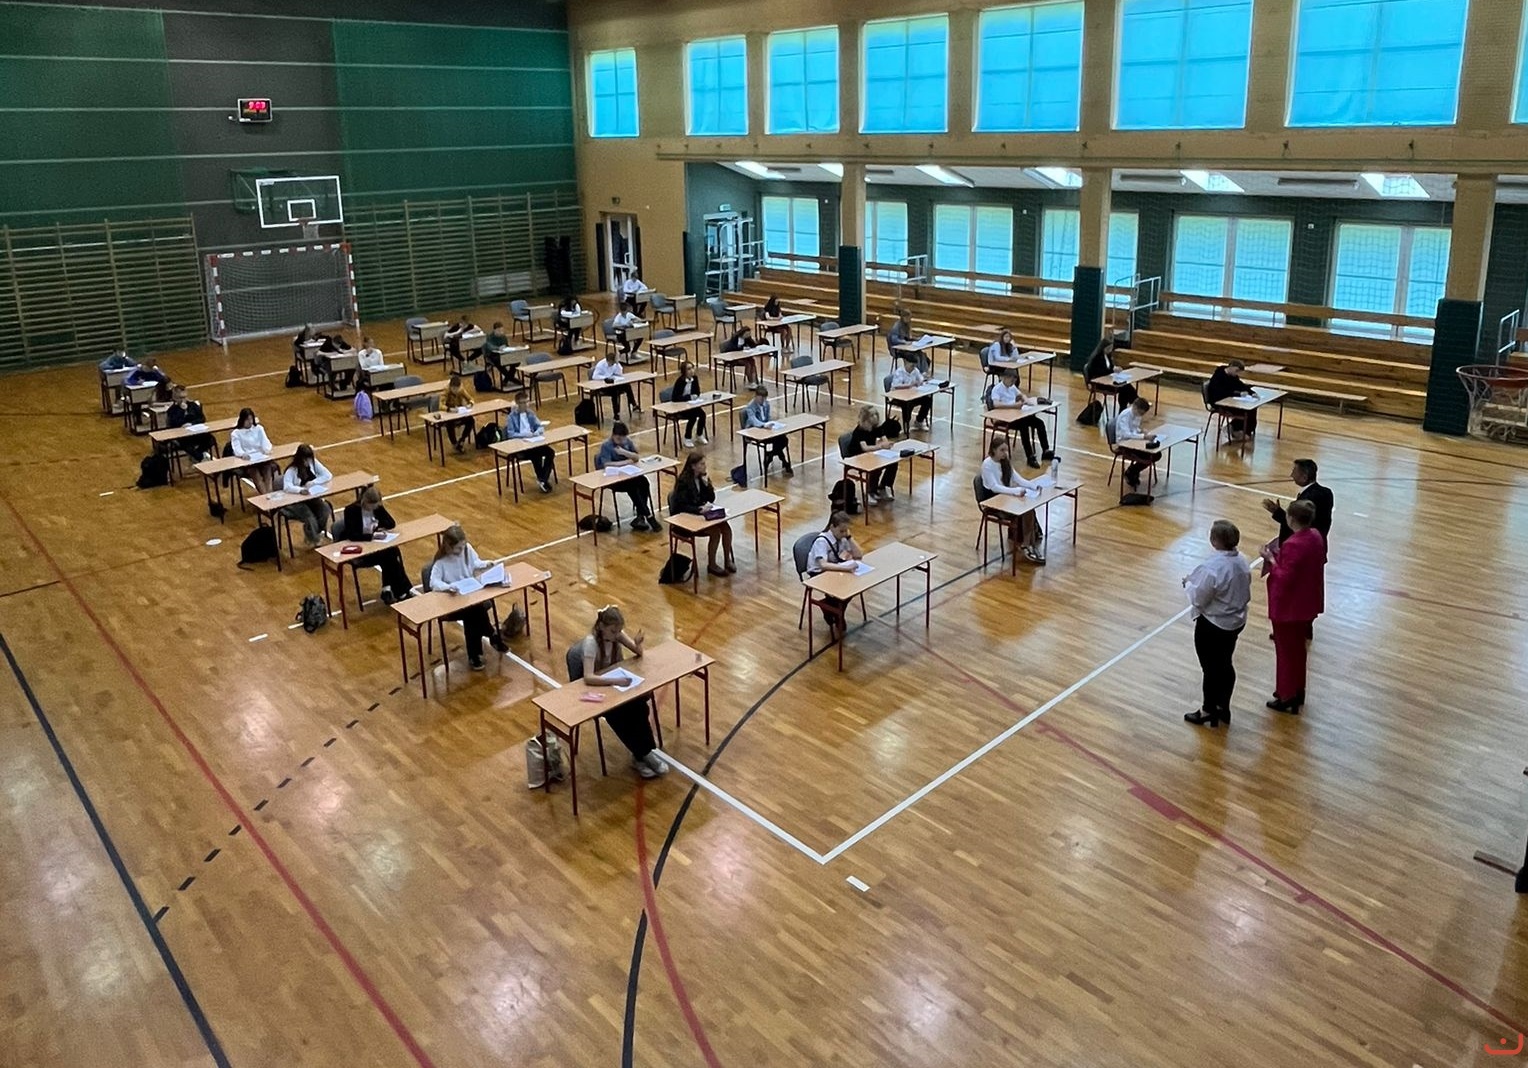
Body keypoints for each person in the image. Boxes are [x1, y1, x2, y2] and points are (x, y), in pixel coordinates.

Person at [576, 605, 667, 778]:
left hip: (619, 686)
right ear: (601, 627)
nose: (616, 634)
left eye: (619, 631)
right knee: (619, 717)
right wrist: (615, 681)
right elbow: (588, 677)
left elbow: (638, 653)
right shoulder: (591, 644)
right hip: (602, 690)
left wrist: (638, 644)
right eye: (613, 631)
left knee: (640, 707)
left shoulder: (617, 635)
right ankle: (643, 754)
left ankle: (641, 754)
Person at [1182, 520, 1253, 727]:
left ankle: (1208, 709)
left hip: (1214, 624)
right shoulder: (1242, 560)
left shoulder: (1212, 567)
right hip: (1236, 620)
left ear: (1214, 541)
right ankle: (1223, 706)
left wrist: (1188, 584)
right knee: (1225, 664)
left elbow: (1199, 599)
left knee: (1210, 668)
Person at [1261, 499, 1325, 714]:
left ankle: (1286, 694)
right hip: (1307, 602)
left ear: (1290, 518)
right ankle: (1297, 690)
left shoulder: (1293, 544)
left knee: (1285, 652)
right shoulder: (1315, 536)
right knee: (1298, 650)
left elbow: (1283, 576)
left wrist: (1271, 558)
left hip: (1289, 606)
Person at [427, 523, 509, 671]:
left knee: (473, 613)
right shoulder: (441, 562)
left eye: (463, 546)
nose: (462, 550)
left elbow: (475, 562)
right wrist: (447, 587)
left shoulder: (466, 549)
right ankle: (491, 634)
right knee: (474, 612)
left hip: (470, 597)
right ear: (448, 546)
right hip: (452, 604)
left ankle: (475, 655)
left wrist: (486, 564)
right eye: (458, 548)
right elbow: (433, 582)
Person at [339, 487, 413, 604]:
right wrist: (372, 536)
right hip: (360, 550)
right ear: (364, 501)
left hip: (376, 548)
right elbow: (352, 535)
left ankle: (389, 589)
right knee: (389, 556)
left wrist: (380, 527)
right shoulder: (351, 510)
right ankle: (401, 591)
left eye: (376, 505)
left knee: (392, 552)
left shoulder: (377, 508)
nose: (373, 508)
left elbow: (391, 523)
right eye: (371, 505)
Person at [978, 437, 1045, 564]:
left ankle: (1027, 543)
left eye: (1006, 450)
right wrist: (1015, 491)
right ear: (993, 450)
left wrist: (1033, 485)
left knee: (1029, 508)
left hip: (1005, 497)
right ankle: (1027, 544)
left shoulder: (1005, 462)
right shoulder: (987, 465)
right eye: (1002, 450)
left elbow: (1017, 479)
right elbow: (994, 487)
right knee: (1025, 509)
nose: (1005, 453)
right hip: (994, 500)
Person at [669, 451, 734, 577]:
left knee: (726, 528)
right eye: (702, 464)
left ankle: (727, 560)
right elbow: (682, 506)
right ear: (693, 466)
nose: (705, 466)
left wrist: (707, 485)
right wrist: (699, 509)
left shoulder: (701, 478)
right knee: (715, 532)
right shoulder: (683, 482)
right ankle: (712, 565)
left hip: (700, 515)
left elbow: (711, 498)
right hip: (686, 519)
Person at [807, 512, 865, 638]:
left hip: (834, 570)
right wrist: (845, 568)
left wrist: (849, 537)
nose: (844, 534)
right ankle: (835, 610)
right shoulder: (822, 541)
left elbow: (859, 555)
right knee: (843, 589)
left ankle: (833, 608)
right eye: (841, 531)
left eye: (846, 531)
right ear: (832, 527)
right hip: (818, 573)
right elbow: (823, 565)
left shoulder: (842, 538)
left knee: (853, 587)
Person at [596, 421, 659, 531]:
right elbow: (606, 464)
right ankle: (648, 515)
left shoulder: (627, 442)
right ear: (613, 435)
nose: (621, 441)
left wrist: (624, 452)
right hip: (613, 479)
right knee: (632, 487)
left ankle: (640, 516)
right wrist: (625, 462)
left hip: (628, 475)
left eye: (623, 438)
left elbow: (636, 457)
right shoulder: (606, 446)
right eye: (618, 439)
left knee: (644, 482)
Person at [985, 366, 1052, 467]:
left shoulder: (1012, 387)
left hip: (1017, 414)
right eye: (1011, 380)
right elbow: (996, 404)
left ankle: (1045, 450)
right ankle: (1030, 456)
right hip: (1006, 418)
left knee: (1039, 423)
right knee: (1023, 426)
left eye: (1014, 380)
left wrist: (1026, 400)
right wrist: (1013, 406)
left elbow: (1021, 394)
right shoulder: (997, 389)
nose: (1013, 382)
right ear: (1005, 378)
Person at [1264, 458, 1333, 546]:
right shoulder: (1327, 492)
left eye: (1294, 472)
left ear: (1304, 477)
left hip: (1304, 546)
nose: (1291, 475)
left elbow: (1297, 526)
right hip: (1319, 543)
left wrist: (1277, 512)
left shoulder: (1306, 499)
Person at [280, 443, 333, 547]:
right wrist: (300, 490)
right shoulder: (291, 470)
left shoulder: (313, 463)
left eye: (309, 459)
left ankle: (313, 533)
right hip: (295, 502)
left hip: (311, 498)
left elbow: (327, 475)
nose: (308, 462)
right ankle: (314, 539)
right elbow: (287, 487)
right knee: (309, 517)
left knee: (325, 509)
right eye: (305, 459)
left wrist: (313, 482)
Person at [503, 389, 556, 493]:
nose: (526, 405)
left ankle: (543, 479)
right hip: (520, 446)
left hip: (533, 442)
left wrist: (538, 431)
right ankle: (543, 480)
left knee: (550, 452)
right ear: (518, 404)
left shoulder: (530, 413)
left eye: (527, 402)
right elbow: (511, 434)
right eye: (523, 402)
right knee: (536, 455)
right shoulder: (511, 417)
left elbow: (539, 425)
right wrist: (524, 435)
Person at [846, 404, 899, 505]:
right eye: (872, 415)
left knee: (893, 463)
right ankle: (869, 492)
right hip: (858, 456)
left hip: (871, 454)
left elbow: (884, 439)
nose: (875, 417)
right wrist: (881, 446)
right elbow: (865, 448)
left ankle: (883, 486)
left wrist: (887, 444)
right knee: (876, 467)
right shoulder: (860, 431)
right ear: (866, 418)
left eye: (875, 414)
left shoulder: (876, 427)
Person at [741, 384, 792, 477]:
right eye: (761, 398)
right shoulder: (750, 407)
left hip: (766, 430)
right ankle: (783, 460)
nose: (763, 401)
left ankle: (770, 455)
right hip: (754, 430)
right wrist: (764, 425)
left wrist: (771, 424)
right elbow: (753, 420)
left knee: (783, 439)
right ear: (756, 396)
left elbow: (768, 417)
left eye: (764, 398)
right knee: (778, 440)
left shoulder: (766, 404)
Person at [228, 407, 278, 493]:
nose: (250, 422)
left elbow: (265, 442)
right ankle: (264, 495)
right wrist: (242, 454)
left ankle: (269, 492)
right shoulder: (236, 433)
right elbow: (237, 448)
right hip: (248, 461)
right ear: (242, 420)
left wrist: (267, 449)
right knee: (254, 473)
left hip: (261, 458)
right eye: (247, 419)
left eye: (251, 419)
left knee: (267, 468)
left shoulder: (259, 428)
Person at [1207, 359, 1258, 438]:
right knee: (1244, 411)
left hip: (1230, 400)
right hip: (1218, 401)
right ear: (1231, 367)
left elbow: (1240, 385)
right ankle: (1234, 428)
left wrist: (1251, 392)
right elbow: (1220, 392)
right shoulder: (1218, 376)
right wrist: (1237, 394)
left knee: (1252, 408)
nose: (1237, 373)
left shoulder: (1233, 376)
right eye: (1236, 371)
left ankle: (1245, 431)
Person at [1084, 335, 1136, 409]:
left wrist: (1115, 368)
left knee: (1125, 385)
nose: (1111, 350)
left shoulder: (1108, 356)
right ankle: (1135, 402)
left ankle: (1125, 406)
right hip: (1100, 383)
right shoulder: (1097, 358)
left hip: (1108, 380)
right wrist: (1111, 371)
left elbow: (1110, 367)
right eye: (1109, 348)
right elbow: (1100, 372)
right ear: (1104, 348)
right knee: (1124, 387)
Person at [164, 385, 214, 461]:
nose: (183, 400)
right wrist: (182, 411)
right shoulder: (172, 410)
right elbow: (174, 424)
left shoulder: (193, 405)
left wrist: (192, 423)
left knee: (210, 439)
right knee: (187, 445)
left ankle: (198, 454)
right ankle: (200, 458)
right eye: (180, 398)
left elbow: (202, 418)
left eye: (184, 397)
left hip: (196, 432)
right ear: (175, 398)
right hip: (182, 436)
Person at [1114, 398, 1154, 490]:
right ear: (1135, 408)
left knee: (1156, 455)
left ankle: (1132, 471)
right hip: (1124, 443)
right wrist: (1143, 437)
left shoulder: (1137, 414)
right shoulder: (1125, 416)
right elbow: (1126, 434)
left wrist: (1141, 431)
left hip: (1134, 441)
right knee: (1147, 456)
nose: (1141, 415)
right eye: (1140, 413)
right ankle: (1131, 472)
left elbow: (1134, 429)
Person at [889, 352, 934, 431]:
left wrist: (922, 381)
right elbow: (896, 386)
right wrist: (909, 385)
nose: (913, 368)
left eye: (914, 366)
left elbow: (921, 380)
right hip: (900, 397)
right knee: (908, 404)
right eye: (911, 366)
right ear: (905, 362)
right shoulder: (899, 372)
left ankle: (919, 420)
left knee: (927, 400)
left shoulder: (915, 370)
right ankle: (906, 423)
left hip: (912, 395)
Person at [669, 359, 708, 447]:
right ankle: (687, 437)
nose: (692, 371)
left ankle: (699, 434)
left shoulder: (695, 379)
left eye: (692, 368)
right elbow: (675, 398)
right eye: (689, 369)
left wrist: (695, 396)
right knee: (693, 416)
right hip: (680, 407)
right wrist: (688, 397)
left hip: (691, 405)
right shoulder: (680, 381)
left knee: (702, 414)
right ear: (684, 371)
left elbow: (697, 392)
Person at [591, 349, 639, 418]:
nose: (612, 364)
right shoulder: (600, 365)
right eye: (611, 363)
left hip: (613, 383)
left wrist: (617, 364)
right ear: (607, 361)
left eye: (613, 363)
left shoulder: (615, 364)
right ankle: (616, 414)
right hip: (603, 386)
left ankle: (633, 404)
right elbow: (595, 376)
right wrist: (605, 378)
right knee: (615, 392)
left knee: (627, 386)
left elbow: (620, 374)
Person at [441, 373, 476, 453]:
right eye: (454, 389)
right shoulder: (446, 391)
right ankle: (454, 443)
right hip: (449, 415)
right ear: (450, 387)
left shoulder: (461, 390)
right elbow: (441, 406)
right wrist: (450, 409)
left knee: (471, 420)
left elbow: (470, 399)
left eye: (457, 388)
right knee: (449, 424)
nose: (456, 391)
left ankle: (462, 440)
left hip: (459, 413)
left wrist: (470, 404)